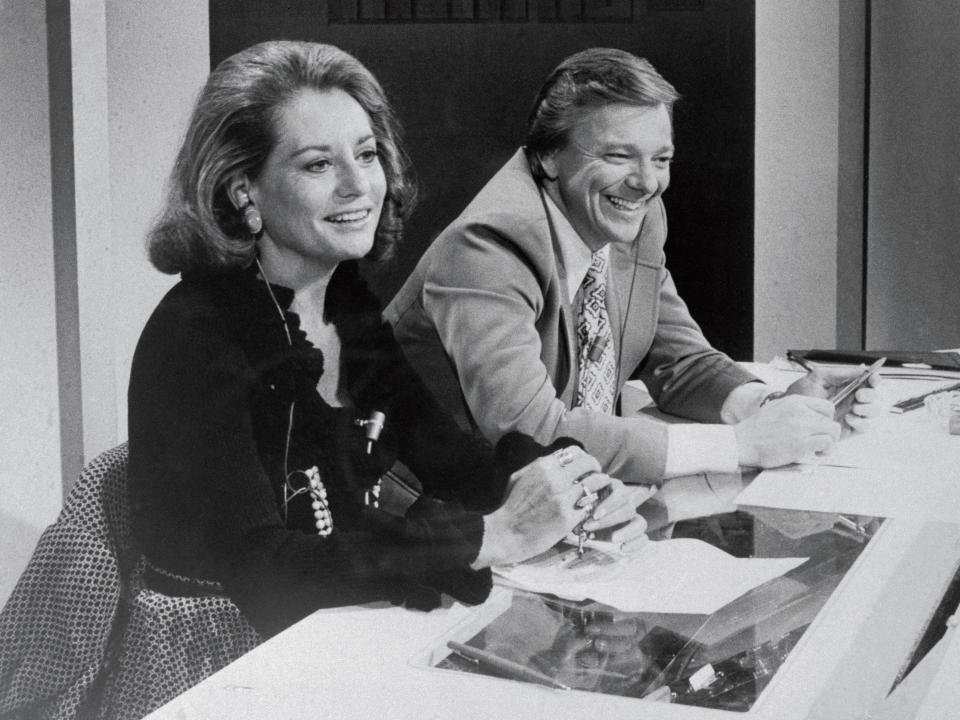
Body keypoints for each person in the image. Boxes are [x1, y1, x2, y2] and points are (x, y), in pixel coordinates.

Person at [99, 40, 648, 719]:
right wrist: (491, 535)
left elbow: (448, 458)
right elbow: (268, 572)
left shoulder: (341, 298)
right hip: (221, 671)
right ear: (245, 190)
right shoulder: (195, 334)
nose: (359, 185)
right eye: (317, 164)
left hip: (329, 632)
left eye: (366, 154)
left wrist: (573, 486)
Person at [386, 47, 881, 486]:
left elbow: (680, 362)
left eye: (661, 159)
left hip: (551, 498)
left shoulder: (629, 218)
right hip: (419, 516)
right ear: (548, 157)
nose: (646, 183)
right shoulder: (487, 247)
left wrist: (772, 407)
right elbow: (530, 433)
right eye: (619, 156)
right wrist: (742, 446)